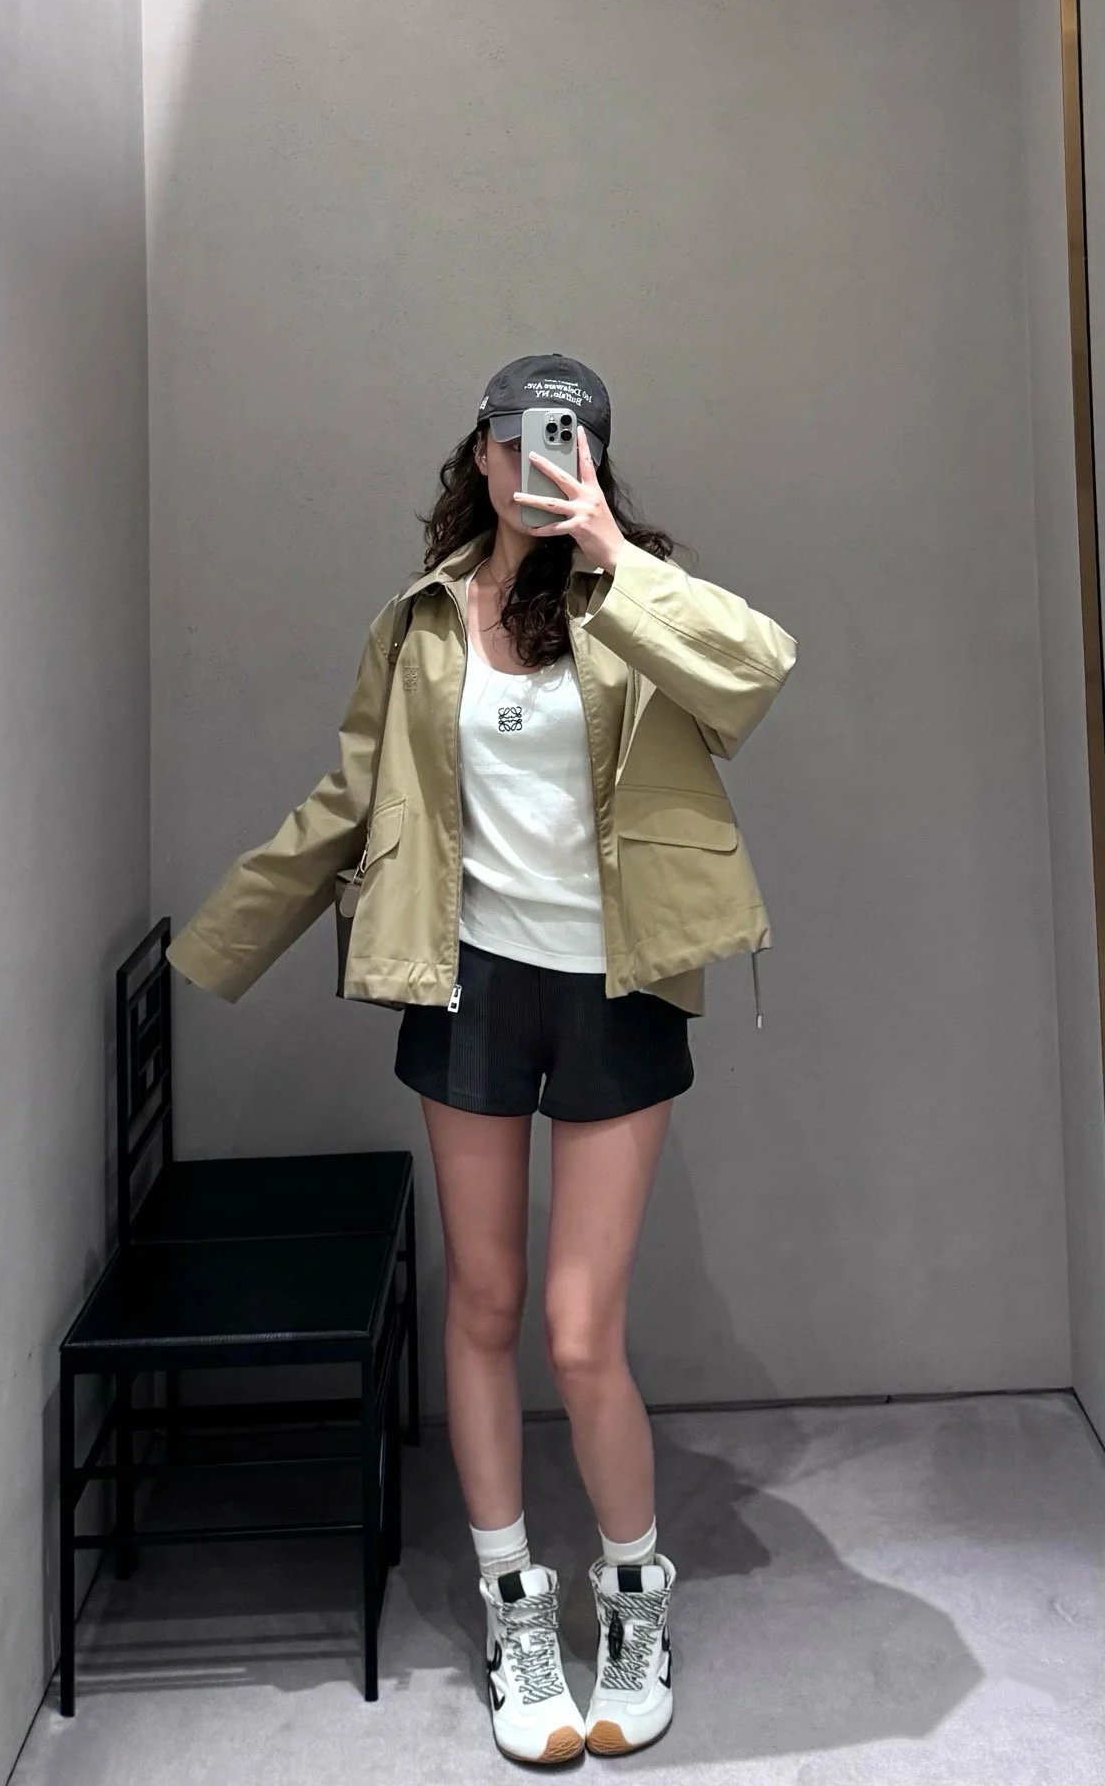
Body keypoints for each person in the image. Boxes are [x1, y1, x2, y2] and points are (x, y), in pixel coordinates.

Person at [166, 352, 798, 1764]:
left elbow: (759, 673)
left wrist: (614, 555)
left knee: (580, 1334)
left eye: (561, 443)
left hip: (617, 984)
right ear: (478, 451)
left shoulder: (635, 600)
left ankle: (634, 1601)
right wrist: (221, 941)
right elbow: (352, 791)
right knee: (485, 1305)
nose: (532, 463)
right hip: (469, 984)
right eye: (512, 440)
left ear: (595, 459)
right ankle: (517, 1612)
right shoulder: (420, 623)